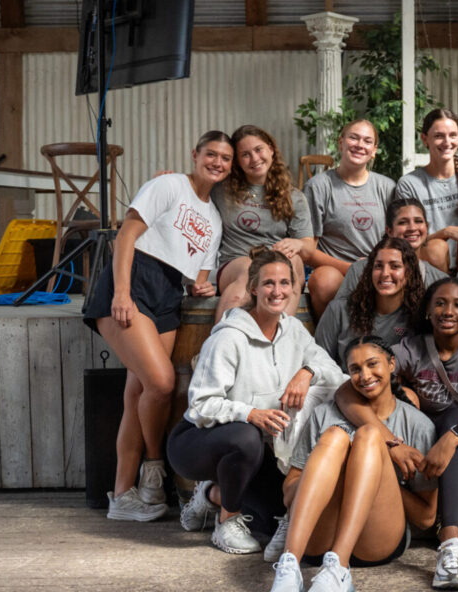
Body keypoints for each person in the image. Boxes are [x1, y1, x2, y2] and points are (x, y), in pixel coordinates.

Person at [82, 130, 230, 523]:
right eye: (210, 154)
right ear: (194, 154)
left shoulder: (214, 219)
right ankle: (153, 466)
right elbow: (127, 235)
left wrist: (202, 285)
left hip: (170, 295)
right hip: (135, 280)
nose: (217, 162)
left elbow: (197, 274)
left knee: (140, 393)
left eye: (225, 158)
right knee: (162, 383)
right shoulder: (169, 184)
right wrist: (122, 293)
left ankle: (121, 496)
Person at [334, 278, 458, 591]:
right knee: (448, 420)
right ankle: (451, 542)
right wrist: (388, 439)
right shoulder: (411, 347)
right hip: (424, 447)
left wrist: (454, 436)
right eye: (440, 304)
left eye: (457, 304)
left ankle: (449, 530)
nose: (448, 310)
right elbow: (345, 393)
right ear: (428, 311)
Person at [168, 248, 344, 554]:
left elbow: (333, 372)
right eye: (268, 284)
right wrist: (250, 413)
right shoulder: (229, 337)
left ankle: (209, 495)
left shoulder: (293, 332)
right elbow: (200, 406)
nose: (277, 291)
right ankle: (226, 522)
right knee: (246, 436)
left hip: (262, 450)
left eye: (284, 283)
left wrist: (307, 370)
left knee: (271, 520)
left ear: (294, 287)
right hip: (195, 440)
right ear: (253, 288)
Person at [269, 336, 439, 592]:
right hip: (319, 538)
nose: (365, 375)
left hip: (377, 538)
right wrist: (333, 474)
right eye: (355, 369)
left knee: (369, 436)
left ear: (391, 364)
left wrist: (376, 475)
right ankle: (289, 566)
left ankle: (338, 568)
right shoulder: (324, 414)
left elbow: (426, 518)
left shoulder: (418, 425)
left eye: (373, 364)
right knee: (336, 435)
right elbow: (288, 492)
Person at [211, 125, 315, 322]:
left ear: (271, 149)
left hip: (278, 264)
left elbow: (309, 249)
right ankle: (222, 342)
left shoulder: (294, 197)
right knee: (250, 268)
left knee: (292, 262)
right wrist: (168, 178)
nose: (255, 159)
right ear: (237, 162)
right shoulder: (221, 189)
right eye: (245, 154)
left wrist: (299, 244)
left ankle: (278, 336)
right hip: (236, 262)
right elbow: (193, 186)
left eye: (259, 150)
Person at [305, 118, 397, 320]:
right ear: (341, 142)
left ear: (374, 150)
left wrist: (376, 266)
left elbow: (398, 240)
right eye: (353, 138)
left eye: (366, 141)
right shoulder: (318, 186)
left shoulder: (387, 187)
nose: (359, 145)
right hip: (337, 269)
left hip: (378, 268)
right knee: (323, 281)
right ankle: (331, 342)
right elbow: (308, 250)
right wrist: (353, 269)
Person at [396, 108, 458, 272]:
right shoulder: (409, 184)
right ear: (425, 139)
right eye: (439, 136)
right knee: (436, 248)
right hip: (431, 264)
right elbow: (406, 238)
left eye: (453, 135)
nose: (447, 142)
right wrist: (447, 232)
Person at [314, 236, 425, 365]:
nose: (385, 273)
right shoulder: (338, 310)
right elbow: (318, 364)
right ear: (370, 271)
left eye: (395, 266)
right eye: (378, 266)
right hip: (342, 383)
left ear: (409, 272)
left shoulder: (418, 317)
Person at [333, 197, 450, 305]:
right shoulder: (359, 270)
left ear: (427, 227)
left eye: (418, 221)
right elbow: (339, 315)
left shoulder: (438, 279)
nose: (412, 228)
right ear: (389, 231)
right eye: (402, 222)